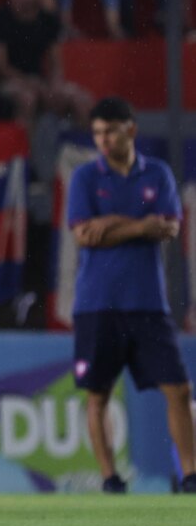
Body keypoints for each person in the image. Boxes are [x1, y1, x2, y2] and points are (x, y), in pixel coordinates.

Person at [67, 98, 196, 495]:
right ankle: (110, 478)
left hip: (147, 302)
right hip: (96, 302)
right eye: (98, 133)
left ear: (131, 130)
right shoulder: (85, 177)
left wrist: (110, 225)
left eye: (111, 131)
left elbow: (169, 228)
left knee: (178, 389)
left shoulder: (156, 173)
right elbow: (83, 233)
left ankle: (190, 475)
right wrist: (140, 225)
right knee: (98, 395)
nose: (104, 140)